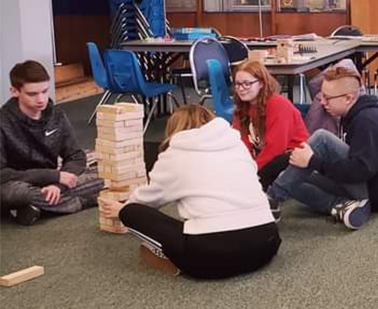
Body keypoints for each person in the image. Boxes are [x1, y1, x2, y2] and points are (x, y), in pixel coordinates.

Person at [100, 105, 281, 279]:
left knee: (132, 212)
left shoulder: (175, 153)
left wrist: (122, 209)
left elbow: (149, 199)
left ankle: (168, 255)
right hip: (267, 244)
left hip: (212, 258)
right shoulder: (237, 144)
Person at [266, 67, 378, 230]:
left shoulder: (368, 122)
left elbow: (360, 170)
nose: (322, 102)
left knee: (322, 138)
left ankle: (271, 199)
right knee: (290, 178)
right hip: (363, 183)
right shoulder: (352, 115)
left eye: (327, 98)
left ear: (348, 98)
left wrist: (313, 162)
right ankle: (342, 206)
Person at [0, 61, 104, 226]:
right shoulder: (2, 121)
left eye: (44, 91)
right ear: (15, 91)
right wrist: (55, 176)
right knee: (11, 194)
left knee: (106, 176)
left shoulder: (57, 116)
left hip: (52, 183)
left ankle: (34, 208)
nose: (41, 99)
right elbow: (2, 174)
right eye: (32, 94)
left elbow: (76, 156)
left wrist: (58, 185)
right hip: (18, 183)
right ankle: (84, 202)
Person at [232, 59, 309, 191]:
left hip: (292, 156)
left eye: (247, 84)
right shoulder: (242, 108)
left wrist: (252, 173)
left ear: (261, 83)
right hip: (264, 156)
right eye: (238, 84)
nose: (241, 89)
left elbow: (275, 148)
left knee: (274, 164)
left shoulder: (278, 104)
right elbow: (241, 143)